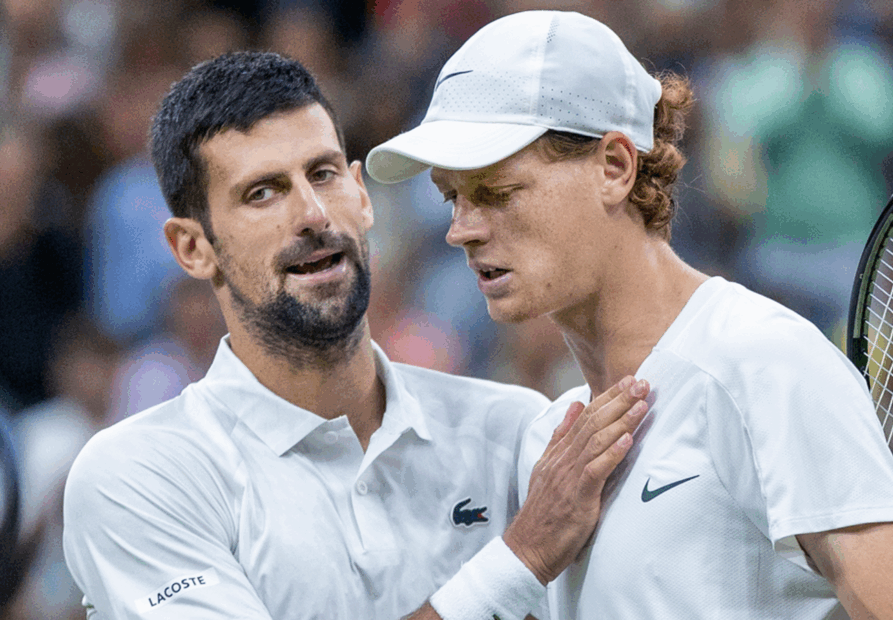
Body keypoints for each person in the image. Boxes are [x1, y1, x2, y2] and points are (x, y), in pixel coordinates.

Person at [366, 10, 893, 619]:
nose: (460, 231)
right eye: (453, 197)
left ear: (614, 167)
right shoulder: (549, 448)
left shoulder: (765, 364)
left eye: (497, 192)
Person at [61, 51, 648, 620]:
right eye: (262, 192)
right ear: (193, 247)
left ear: (362, 196)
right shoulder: (141, 475)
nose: (314, 213)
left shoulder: (517, 430)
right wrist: (522, 558)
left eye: (323, 174)